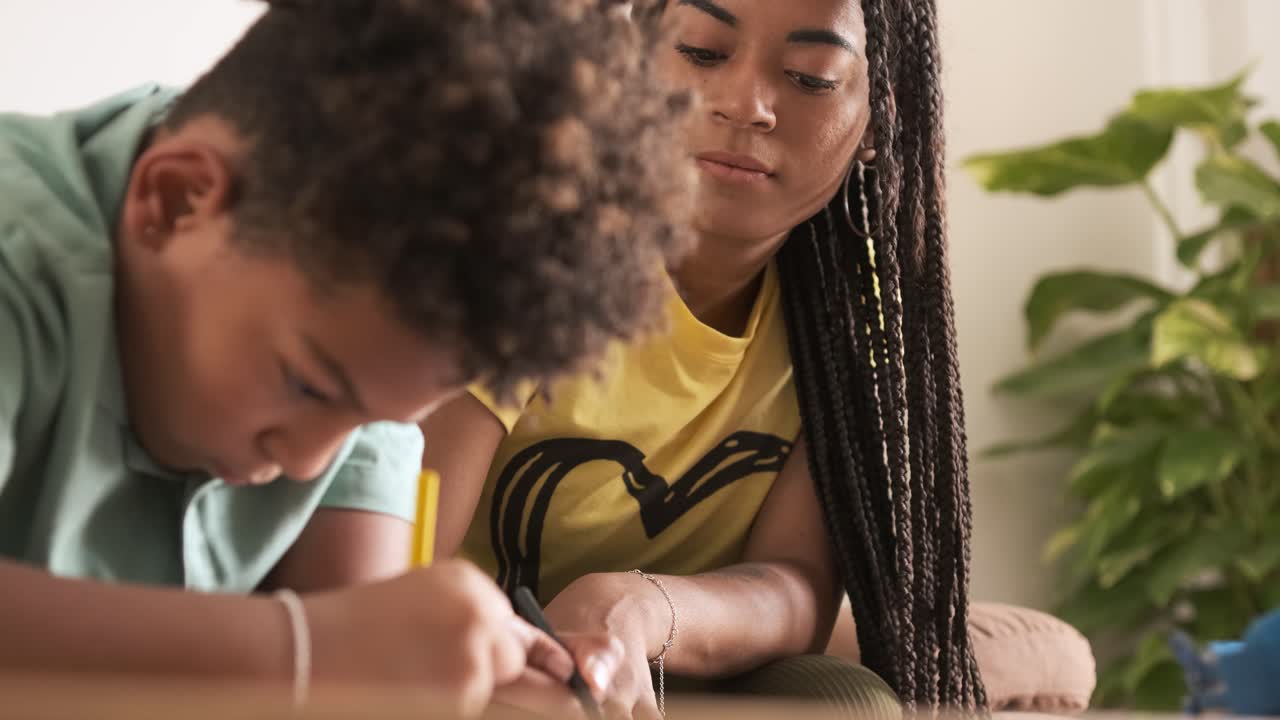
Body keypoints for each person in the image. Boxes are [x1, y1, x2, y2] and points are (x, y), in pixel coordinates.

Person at [0, 0, 690, 714]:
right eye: (305, 385)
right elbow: (327, 655)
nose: (308, 465)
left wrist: (459, 671)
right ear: (175, 203)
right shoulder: (17, 252)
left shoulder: (363, 336)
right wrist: (299, 649)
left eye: (376, 422)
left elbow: (357, 677)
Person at [417, 0, 983, 716]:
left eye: (810, 77)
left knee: (850, 701)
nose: (745, 105)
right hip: (457, 659)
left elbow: (796, 585)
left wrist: (634, 609)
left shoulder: (843, 333)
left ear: (879, 119)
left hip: (672, 667)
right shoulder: (524, 261)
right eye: (703, 52)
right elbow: (402, 564)